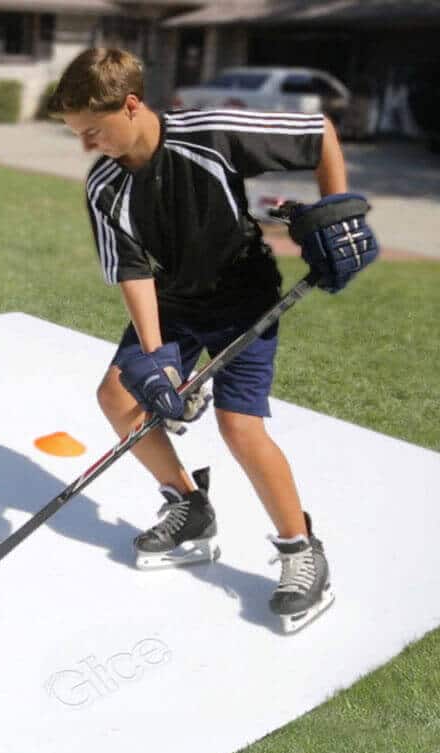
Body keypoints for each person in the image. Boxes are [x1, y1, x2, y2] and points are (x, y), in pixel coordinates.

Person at [47, 47, 378, 632]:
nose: (86, 145)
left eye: (92, 130)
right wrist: (156, 358)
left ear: (130, 105)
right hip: (173, 302)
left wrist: (335, 213)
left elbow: (318, 131)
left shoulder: (211, 132)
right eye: (77, 134)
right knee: (119, 397)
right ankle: (189, 508)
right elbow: (133, 271)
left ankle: (303, 552)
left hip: (243, 298)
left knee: (239, 428)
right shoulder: (103, 186)